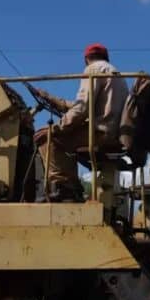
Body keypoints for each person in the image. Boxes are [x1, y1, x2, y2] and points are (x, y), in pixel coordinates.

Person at [32, 43, 129, 201]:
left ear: (86, 59)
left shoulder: (92, 70)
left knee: (47, 138)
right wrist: (52, 99)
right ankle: (71, 187)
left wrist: (55, 129)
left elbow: (82, 110)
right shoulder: (115, 73)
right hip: (113, 132)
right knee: (63, 134)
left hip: (99, 132)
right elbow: (86, 106)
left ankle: (64, 189)